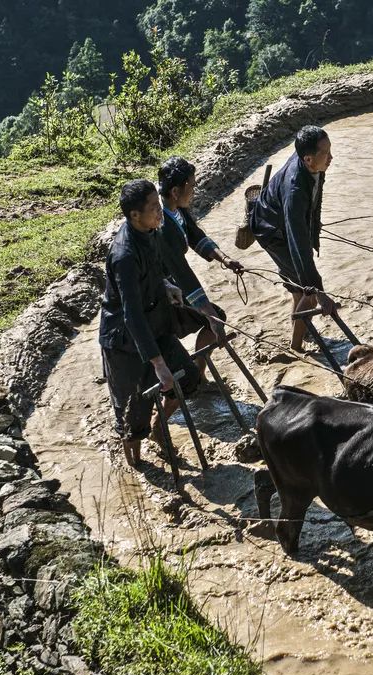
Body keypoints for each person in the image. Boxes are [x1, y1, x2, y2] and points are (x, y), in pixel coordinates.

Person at [98, 179, 200, 466]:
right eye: (154, 208)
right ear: (134, 215)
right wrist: (158, 364)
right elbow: (131, 313)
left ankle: (160, 427)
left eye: (159, 205)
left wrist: (166, 286)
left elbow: (155, 271)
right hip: (124, 339)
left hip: (153, 325)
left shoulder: (151, 232)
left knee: (189, 378)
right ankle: (137, 466)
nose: (160, 212)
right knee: (132, 414)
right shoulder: (124, 256)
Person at [250, 124, 336, 352]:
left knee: (299, 289)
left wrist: (313, 227)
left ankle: (300, 332)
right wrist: (318, 291)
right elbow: (297, 242)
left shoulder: (311, 162)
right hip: (272, 231)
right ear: (308, 159)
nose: (331, 157)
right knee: (307, 293)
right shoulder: (295, 190)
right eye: (325, 154)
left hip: (282, 220)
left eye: (330, 150)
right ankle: (296, 348)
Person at [156, 156, 244, 372]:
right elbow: (182, 273)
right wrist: (208, 312)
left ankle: (197, 372)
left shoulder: (176, 208)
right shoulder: (162, 224)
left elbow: (194, 235)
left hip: (173, 282)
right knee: (214, 318)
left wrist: (224, 258)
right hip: (162, 287)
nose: (194, 191)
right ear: (176, 191)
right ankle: (196, 375)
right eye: (192, 186)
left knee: (212, 317)